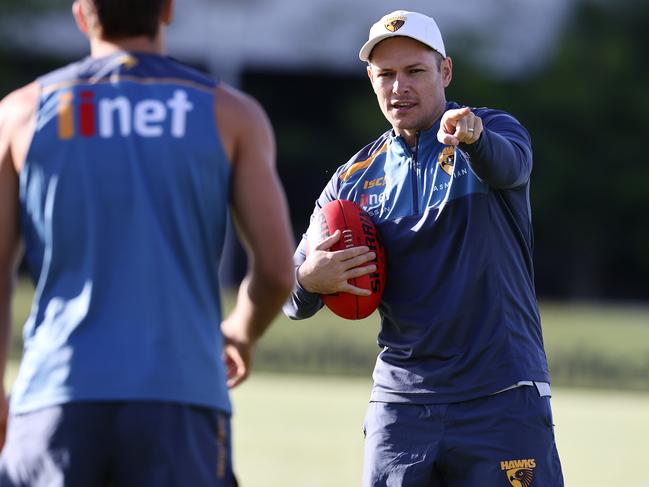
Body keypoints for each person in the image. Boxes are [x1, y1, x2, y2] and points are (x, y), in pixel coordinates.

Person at [0, 0, 295, 485]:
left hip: (55, 391)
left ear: (81, 15)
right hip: (182, 392)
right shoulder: (230, 112)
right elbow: (278, 271)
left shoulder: (22, 112)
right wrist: (242, 329)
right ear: (167, 11)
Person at [284, 9, 564, 487]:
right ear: (370, 79)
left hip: (501, 394)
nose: (400, 87)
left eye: (415, 71)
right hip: (401, 406)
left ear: (445, 71)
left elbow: (510, 168)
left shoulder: (493, 130)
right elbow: (292, 294)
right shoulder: (351, 182)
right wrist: (310, 280)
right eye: (386, 74)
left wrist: (474, 137)